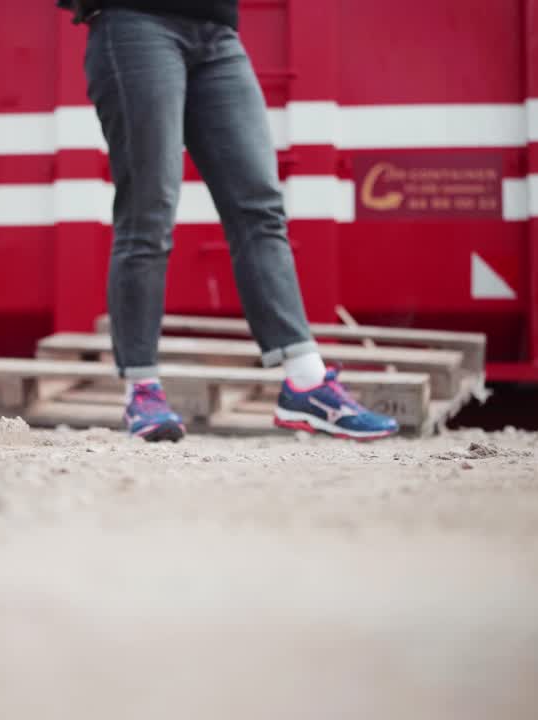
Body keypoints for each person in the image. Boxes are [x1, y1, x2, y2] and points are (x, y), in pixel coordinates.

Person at [60, 0, 399, 442]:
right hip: (135, 22)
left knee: (259, 206)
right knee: (149, 211)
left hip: (217, 30)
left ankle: (306, 382)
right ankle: (141, 389)